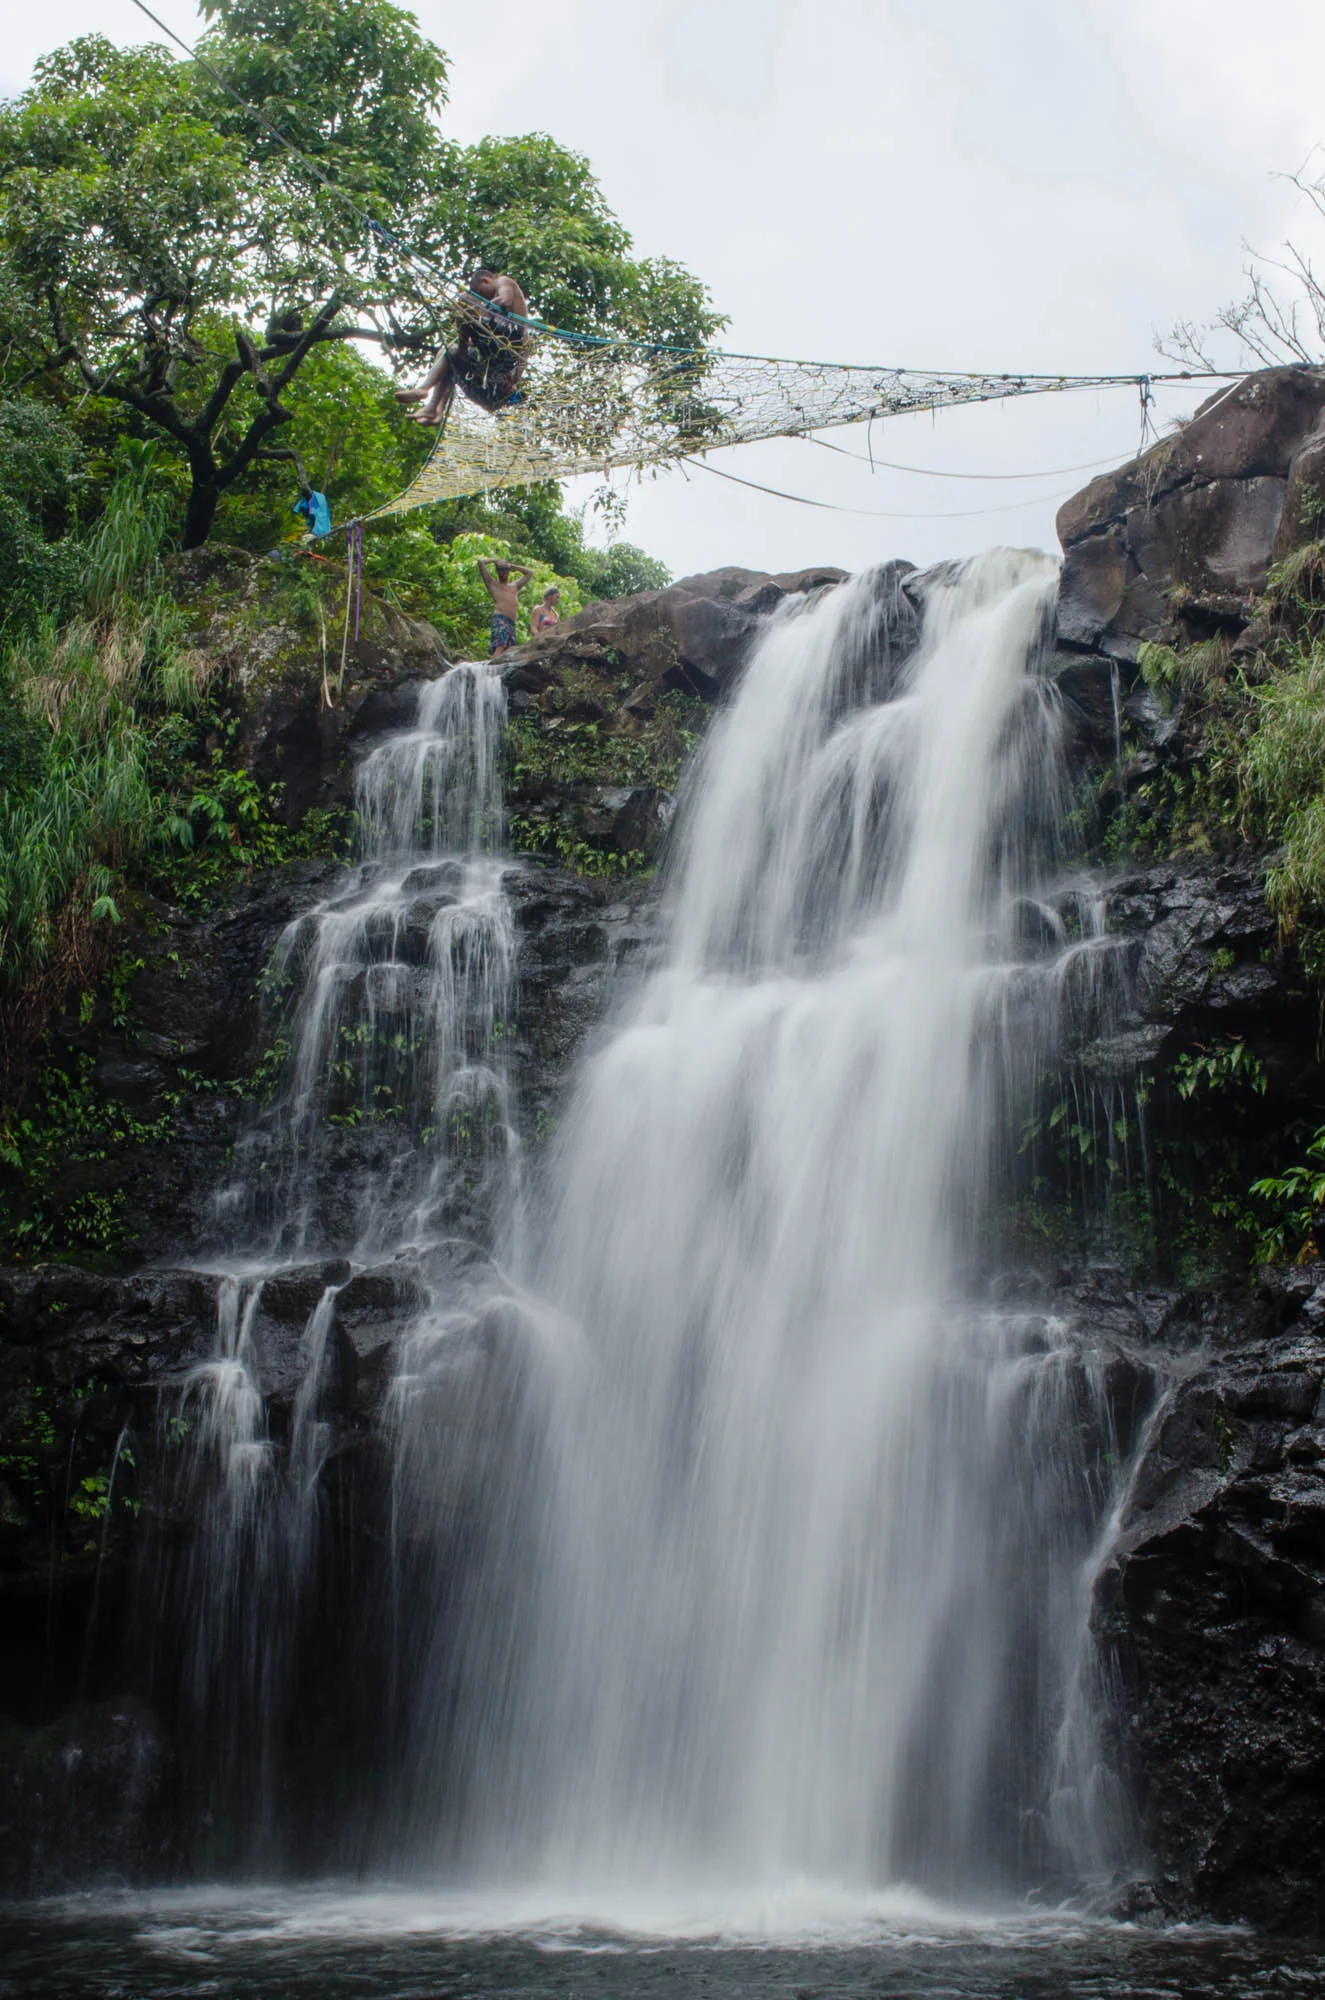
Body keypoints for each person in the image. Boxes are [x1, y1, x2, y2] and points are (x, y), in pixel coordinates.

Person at [397, 270, 530, 428]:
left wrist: (479, 308)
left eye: (480, 293)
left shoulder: (503, 281)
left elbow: (505, 301)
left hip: (506, 364)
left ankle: (427, 396)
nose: (484, 298)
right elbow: (460, 352)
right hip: (488, 380)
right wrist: (465, 329)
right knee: (449, 353)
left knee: (465, 309)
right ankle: (433, 407)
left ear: (486, 281)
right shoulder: (482, 328)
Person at [478, 557, 533, 657]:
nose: (505, 572)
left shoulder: (514, 586)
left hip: (511, 623)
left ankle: (498, 669)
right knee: (500, 646)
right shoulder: (492, 584)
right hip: (500, 619)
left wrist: (512, 566)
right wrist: (495, 560)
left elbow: (530, 573)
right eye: (502, 570)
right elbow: (481, 562)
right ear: (498, 572)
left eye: (506, 570)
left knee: (508, 649)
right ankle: (492, 670)